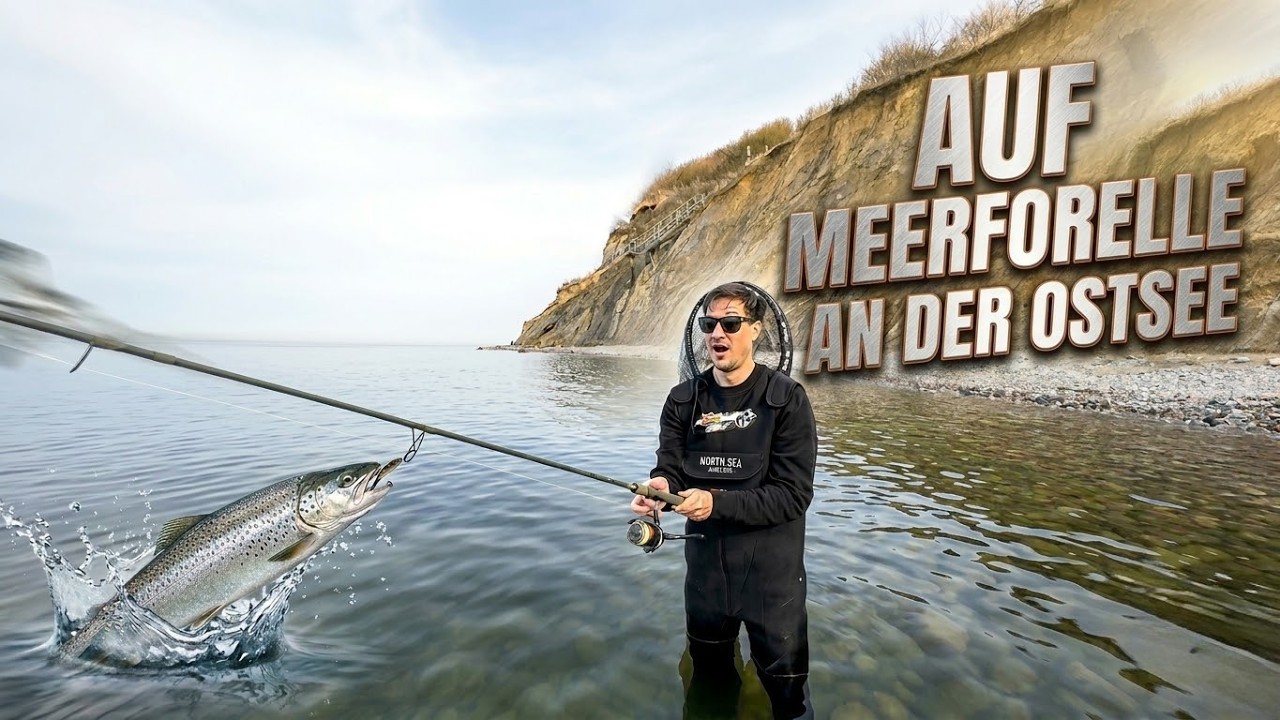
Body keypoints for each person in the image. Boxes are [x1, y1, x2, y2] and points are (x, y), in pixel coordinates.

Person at [631, 281, 817, 719]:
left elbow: (793, 496)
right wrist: (658, 490)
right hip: (706, 581)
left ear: (755, 329)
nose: (718, 333)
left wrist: (715, 503)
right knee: (709, 689)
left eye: (731, 323)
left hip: (773, 585)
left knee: (788, 700)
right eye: (709, 323)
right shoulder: (682, 401)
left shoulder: (787, 400)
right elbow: (669, 468)